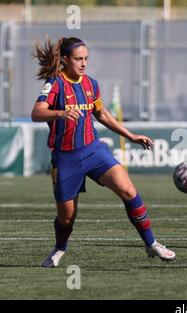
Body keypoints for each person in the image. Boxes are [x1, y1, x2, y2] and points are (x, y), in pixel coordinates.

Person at [31, 37, 175, 267]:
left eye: (86, 58)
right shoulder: (55, 83)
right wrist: (60, 113)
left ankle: (151, 243)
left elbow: (102, 114)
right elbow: (37, 112)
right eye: (78, 59)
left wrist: (131, 135)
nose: (84, 63)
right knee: (67, 218)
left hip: (94, 150)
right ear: (66, 60)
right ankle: (59, 247)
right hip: (66, 158)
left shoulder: (91, 84)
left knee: (128, 190)